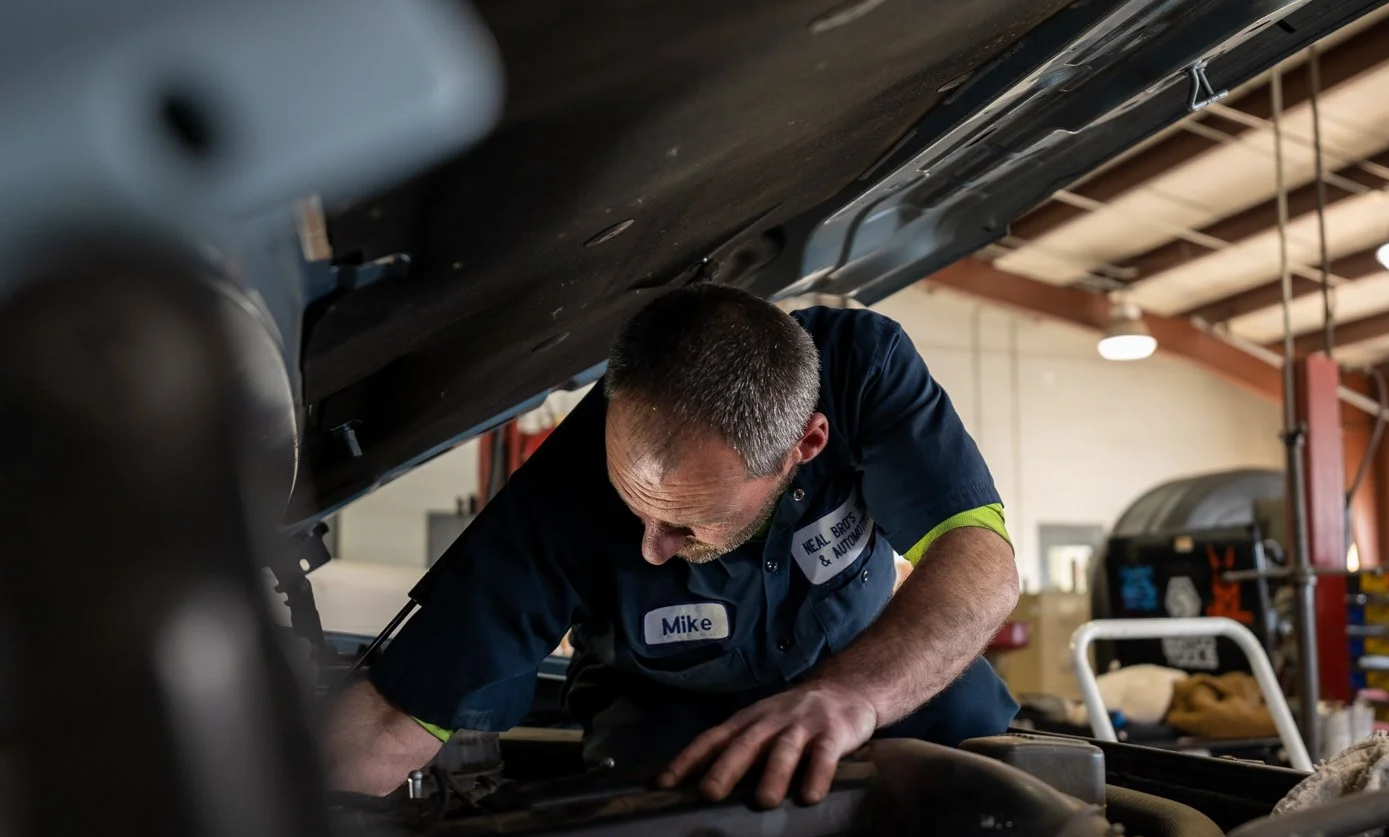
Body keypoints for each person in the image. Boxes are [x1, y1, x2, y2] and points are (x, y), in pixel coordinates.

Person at [324, 284, 1021, 806]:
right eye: (632, 506)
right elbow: (395, 716)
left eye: (688, 522)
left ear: (805, 446)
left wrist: (852, 695)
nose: (652, 548)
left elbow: (981, 561)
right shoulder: (558, 496)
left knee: (992, 765)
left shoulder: (863, 371)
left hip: (864, 662)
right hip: (666, 702)